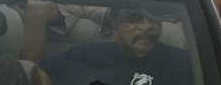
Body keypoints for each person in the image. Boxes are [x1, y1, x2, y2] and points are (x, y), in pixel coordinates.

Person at [40, 6, 192, 85]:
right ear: (115, 24)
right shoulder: (85, 54)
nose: (146, 27)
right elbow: (39, 71)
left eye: (154, 19)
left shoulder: (180, 63)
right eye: (134, 20)